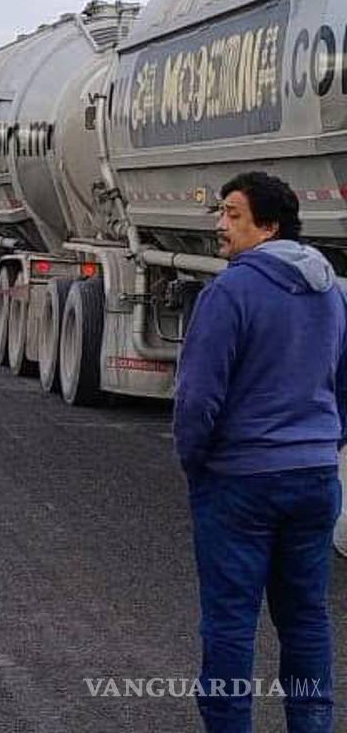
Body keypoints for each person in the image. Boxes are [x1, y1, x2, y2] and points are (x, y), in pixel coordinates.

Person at [174, 172, 345, 733]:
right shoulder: (335, 292)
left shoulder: (230, 292)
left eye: (233, 215)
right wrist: (326, 442)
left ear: (268, 226)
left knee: (229, 621)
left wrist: (196, 462)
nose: (221, 226)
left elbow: (198, 396)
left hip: (241, 479)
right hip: (315, 475)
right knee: (306, 617)